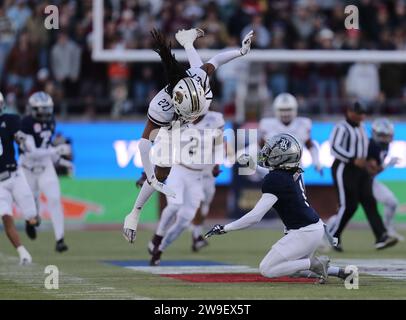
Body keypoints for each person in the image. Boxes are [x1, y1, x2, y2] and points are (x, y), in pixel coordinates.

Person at [122, 28, 254, 244]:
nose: (195, 118)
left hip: (197, 99)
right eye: (191, 114)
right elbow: (144, 144)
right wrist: (151, 177)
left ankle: (187, 43)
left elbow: (216, 60)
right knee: (162, 170)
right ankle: (134, 213)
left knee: (200, 76)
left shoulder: (199, 79)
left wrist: (241, 52)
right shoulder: (161, 108)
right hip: (173, 125)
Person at [205, 133, 346, 282]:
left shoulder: (275, 181)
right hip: (314, 229)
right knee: (293, 269)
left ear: (283, 157)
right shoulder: (293, 171)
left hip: (303, 233)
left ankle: (314, 264)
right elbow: (272, 174)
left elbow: (254, 217)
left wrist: (225, 228)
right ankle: (339, 272)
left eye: (272, 151)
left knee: (267, 269)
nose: (267, 152)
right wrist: (252, 165)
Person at [148, 110, 224, 266]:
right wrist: (147, 171)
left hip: (197, 177)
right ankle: (158, 236)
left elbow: (219, 144)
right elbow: (162, 146)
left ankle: (160, 250)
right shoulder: (178, 120)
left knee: (184, 221)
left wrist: (217, 163)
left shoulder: (215, 120)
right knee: (175, 205)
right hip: (179, 169)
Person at [328, 101, 398, 251]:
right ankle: (334, 235)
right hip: (343, 168)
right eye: (359, 113)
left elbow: (363, 148)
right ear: (349, 112)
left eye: (363, 113)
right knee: (349, 205)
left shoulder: (361, 128)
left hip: (360, 170)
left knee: (369, 201)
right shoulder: (341, 127)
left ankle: (381, 237)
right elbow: (334, 148)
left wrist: (368, 162)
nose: (362, 116)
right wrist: (353, 158)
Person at [19, 91, 72, 252]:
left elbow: (45, 147)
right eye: (42, 109)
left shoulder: (51, 122)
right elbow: (33, 151)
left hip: (45, 166)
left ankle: (60, 240)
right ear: (33, 109)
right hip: (27, 168)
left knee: (55, 199)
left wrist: (61, 160)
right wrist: (57, 150)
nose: (45, 113)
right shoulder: (25, 123)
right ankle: (31, 222)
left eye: (47, 109)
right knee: (31, 205)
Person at [0, 91, 38, 265]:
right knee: (6, 217)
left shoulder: (9, 120)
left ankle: (31, 222)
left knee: (33, 218)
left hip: (15, 176)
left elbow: (19, 136)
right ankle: (23, 253)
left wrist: (22, 140)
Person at [259, 93, 322, 174]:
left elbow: (310, 145)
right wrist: (260, 163)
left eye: (288, 109)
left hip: (296, 170)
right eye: (282, 110)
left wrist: (316, 161)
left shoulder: (303, 124)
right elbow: (260, 147)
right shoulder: (267, 125)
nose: (285, 113)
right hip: (274, 170)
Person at [368, 118, 403, 241]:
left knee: (392, 202)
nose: (386, 138)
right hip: (360, 182)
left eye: (387, 135)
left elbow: (373, 173)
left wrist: (384, 165)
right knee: (347, 210)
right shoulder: (371, 146)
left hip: (370, 181)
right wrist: (386, 165)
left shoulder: (384, 147)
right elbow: (371, 170)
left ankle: (388, 229)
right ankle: (326, 232)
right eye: (383, 135)